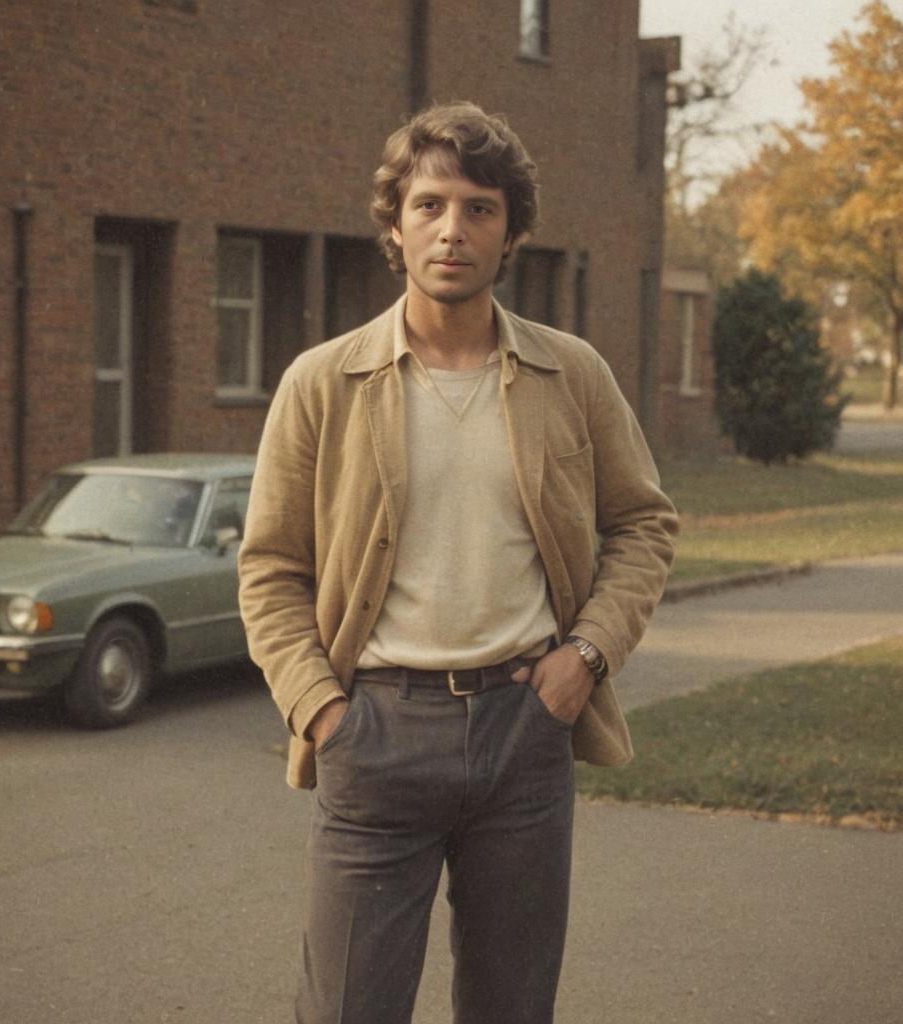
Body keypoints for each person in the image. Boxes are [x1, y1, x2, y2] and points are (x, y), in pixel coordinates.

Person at [238, 101, 678, 1024]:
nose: (453, 229)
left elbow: (642, 524)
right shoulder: (324, 381)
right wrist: (321, 711)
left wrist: (586, 657)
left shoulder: (574, 375)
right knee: (348, 1009)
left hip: (527, 730)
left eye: (480, 208)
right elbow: (271, 567)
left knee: (512, 1008)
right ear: (395, 224)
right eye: (430, 203)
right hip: (376, 730)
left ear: (511, 231)